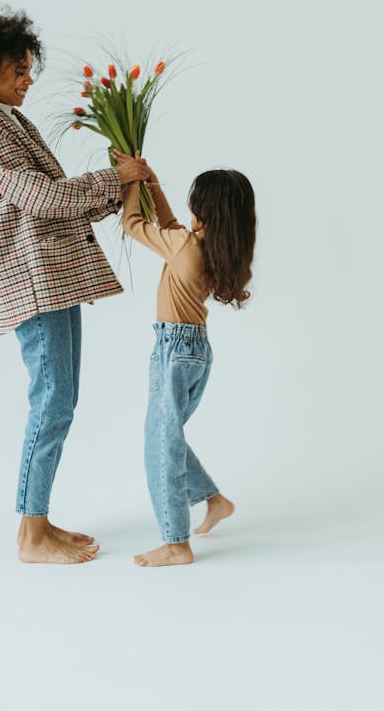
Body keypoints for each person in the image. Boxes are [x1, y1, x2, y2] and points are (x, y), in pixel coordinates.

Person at [0, 8, 148, 565]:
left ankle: (37, 522)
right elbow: (41, 199)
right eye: (18, 69)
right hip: (33, 284)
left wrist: (120, 187)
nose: (27, 79)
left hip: (53, 280)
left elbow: (57, 200)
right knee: (53, 399)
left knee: (59, 399)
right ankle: (31, 535)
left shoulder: (12, 122)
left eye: (28, 68)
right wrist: (115, 179)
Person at [114, 150, 256, 567]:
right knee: (167, 437)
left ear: (206, 211)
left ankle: (176, 543)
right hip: (194, 351)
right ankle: (213, 500)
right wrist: (151, 181)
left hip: (174, 351)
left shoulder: (183, 247)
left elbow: (133, 225)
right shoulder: (205, 248)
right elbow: (172, 226)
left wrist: (129, 182)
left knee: (160, 444)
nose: (189, 207)